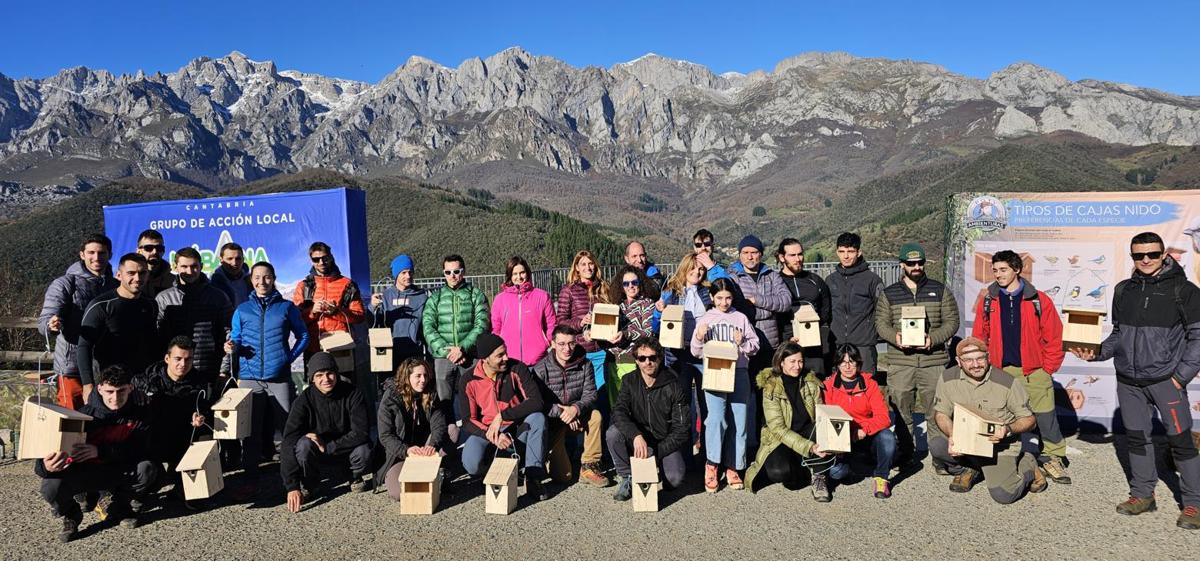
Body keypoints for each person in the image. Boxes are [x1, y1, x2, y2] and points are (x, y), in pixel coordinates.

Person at [1069, 232, 1200, 530]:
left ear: (1163, 254)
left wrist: (1180, 378)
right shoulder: (1123, 290)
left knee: (1181, 442)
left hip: (1167, 381)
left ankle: (1194, 503)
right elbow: (1118, 336)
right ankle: (1143, 495)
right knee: (1137, 439)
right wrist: (1097, 352)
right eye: (1138, 256)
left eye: (1152, 255)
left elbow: (1198, 338)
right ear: (1132, 257)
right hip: (1128, 382)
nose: (1145, 261)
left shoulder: (1185, 291)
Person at [971, 249, 1070, 484]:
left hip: (1034, 370)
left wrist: (1047, 368)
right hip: (1000, 370)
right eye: (995, 270)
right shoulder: (988, 299)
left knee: (1045, 417)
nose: (998, 274)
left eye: (1003, 269)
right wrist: (982, 365)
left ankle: (1053, 457)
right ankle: (999, 456)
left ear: (1017, 269)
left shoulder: (1038, 299)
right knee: (999, 415)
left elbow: (1054, 337)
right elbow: (979, 335)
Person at [35, 365, 159, 542]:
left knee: (148, 469)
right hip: (86, 472)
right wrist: (45, 465)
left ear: (130, 388)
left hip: (117, 470)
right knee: (50, 486)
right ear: (99, 388)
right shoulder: (80, 417)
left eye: (121, 391)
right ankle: (71, 514)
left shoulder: (140, 413)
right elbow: (50, 452)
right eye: (109, 391)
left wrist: (100, 451)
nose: (115, 397)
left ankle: (120, 506)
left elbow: (140, 449)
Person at [225, 261, 310, 500]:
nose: (262, 282)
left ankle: (292, 480)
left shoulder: (286, 308)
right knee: (250, 432)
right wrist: (232, 347)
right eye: (257, 277)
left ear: (274, 278)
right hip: (249, 378)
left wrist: (288, 358)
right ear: (251, 280)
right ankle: (250, 479)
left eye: (267, 277)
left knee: (288, 430)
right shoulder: (242, 310)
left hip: (279, 377)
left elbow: (303, 335)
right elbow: (237, 339)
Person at [928, 337, 1046, 504]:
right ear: (958, 361)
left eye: (980, 358)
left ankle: (1029, 466)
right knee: (937, 445)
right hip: (968, 440)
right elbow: (941, 413)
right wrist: (954, 434)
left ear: (988, 357)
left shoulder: (1007, 382)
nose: (975, 364)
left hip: (999, 446)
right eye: (968, 360)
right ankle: (970, 469)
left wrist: (1008, 429)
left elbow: (1030, 420)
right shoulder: (947, 378)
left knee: (1004, 495)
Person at [875, 242, 959, 463]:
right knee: (902, 409)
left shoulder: (940, 290)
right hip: (901, 362)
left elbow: (952, 321)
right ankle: (905, 452)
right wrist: (896, 338)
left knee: (937, 409)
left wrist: (933, 339)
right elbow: (881, 323)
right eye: (911, 263)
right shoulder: (889, 293)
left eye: (920, 262)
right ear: (902, 265)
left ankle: (940, 455)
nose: (916, 267)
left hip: (934, 360)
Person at [458, 333, 549, 500]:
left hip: (517, 428)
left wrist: (502, 415)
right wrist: (492, 434)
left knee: (538, 418)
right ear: (485, 359)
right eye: (500, 355)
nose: (506, 357)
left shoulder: (517, 368)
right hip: (487, 431)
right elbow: (467, 421)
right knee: (471, 464)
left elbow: (536, 401)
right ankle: (494, 474)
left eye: (505, 352)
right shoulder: (468, 380)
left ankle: (533, 477)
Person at [691, 278, 760, 492]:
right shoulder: (705, 319)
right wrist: (700, 337)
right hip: (714, 373)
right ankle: (712, 463)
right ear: (712, 298)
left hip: (739, 371)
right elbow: (695, 350)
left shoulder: (740, 318)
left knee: (739, 419)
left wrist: (743, 342)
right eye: (719, 298)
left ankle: (734, 465)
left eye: (728, 297)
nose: (724, 302)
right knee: (716, 419)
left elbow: (754, 345)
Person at [280, 352, 373, 513]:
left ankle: (353, 476)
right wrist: (292, 486)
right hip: (316, 452)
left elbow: (362, 431)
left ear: (336, 373)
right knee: (303, 445)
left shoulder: (353, 393)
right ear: (312, 379)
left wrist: (330, 446)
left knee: (364, 450)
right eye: (319, 375)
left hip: (345, 449)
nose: (326, 379)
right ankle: (310, 484)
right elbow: (288, 440)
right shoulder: (304, 400)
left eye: (330, 373)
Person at [38, 233, 118, 409]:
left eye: (102, 253)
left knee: (100, 424)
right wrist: (50, 326)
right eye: (91, 252)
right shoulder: (65, 284)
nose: (96, 257)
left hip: (105, 368)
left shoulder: (115, 285)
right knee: (71, 425)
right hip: (72, 368)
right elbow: (45, 319)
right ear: (82, 254)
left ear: (110, 255)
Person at [744, 343, 830, 500]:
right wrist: (809, 447)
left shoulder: (810, 382)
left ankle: (819, 477)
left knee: (823, 428)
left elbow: (821, 414)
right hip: (780, 437)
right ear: (781, 362)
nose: (797, 366)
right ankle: (802, 463)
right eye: (792, 361)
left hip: (806, 430)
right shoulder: (770, 386)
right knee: (779, 472)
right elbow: (778, 429)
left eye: (800, 361)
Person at [607, 339, 690, 501]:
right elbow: (619, 412)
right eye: (642, 358)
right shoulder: (629, 380)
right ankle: (626, 476)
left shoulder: (674, 384)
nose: (648, 362)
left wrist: (656, 453)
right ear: (636, 360)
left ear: (660, 358)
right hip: (638, 439)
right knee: (613, 433)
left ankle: (654, 467)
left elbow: (682, 428)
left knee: (674, 480)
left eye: (653, 357)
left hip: (663, 441)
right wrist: (636, 435)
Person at [133, 336, 212, 502]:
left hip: (181, 439)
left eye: (188, 359)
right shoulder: (145, 381)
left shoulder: (200, 384)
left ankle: (181, 486)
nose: (183, 364)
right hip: (150, 440)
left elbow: (206, 409)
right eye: (178, 359)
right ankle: (134, 495)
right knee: (148, 473)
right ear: (167, 358)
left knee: (206, 441)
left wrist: (200, 417)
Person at [77, 253, 159, 403]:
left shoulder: (150, 305)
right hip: (107, 385)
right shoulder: (101, 306)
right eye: (131, 273)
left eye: (142, 273)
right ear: (119, 275)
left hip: (139, 385)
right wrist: (87, 385)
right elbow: (84, 346)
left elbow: (152, 343)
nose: (137, 278)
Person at [532, 326, 607, 486]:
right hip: (554, 422)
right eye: (561, 344)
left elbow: (591, 394)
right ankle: (549, 455)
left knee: (595, 416)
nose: (567, 349)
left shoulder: (585, 364)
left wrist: (575, 409)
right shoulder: (541, 368)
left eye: (571, 343)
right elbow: (537, 403)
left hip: (576, 415)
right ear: (553, 344)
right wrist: (561, 412)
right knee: (563, 477)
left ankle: (590, 466)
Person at [823, 345, 897, 499]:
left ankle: (882, 478)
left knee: (887, 437)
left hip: (866, 435)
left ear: (858, 363)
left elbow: (884, 416)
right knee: (837, 473)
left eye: (852, 361)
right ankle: (852, 468)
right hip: (842, 438)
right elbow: (827, 417)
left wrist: (864, 430)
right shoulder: (829, 386)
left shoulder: (870, 384)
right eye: (843, 362)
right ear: (837, 364)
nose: (848, 366)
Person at [422, 254, 489, 418]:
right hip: (443, 358)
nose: (452, 276)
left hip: (471, 356)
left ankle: (479, 434)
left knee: (477, 397)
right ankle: (447, 437)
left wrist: (462, 348)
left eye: (456, 271)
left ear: (463, 272)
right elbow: (428, 327)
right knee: (444, 402)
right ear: (443, 273)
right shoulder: (435, 298)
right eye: (447, 272)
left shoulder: (476, 295)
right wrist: (448, 351)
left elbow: (482, 324)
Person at [155, 247, 233, 388]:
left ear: (201, 266)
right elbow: (157, 338)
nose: (189, 271)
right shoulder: (164, 298)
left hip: (209, 371)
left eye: (194, 266)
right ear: (175, 267)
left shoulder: (218, 297)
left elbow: (230, 335)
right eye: (184, 266)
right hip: (173, 373)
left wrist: (224, 370)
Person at [658, 252, 712, 451]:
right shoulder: (672, 292)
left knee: (706, 405)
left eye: (701, 269)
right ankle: (684, 453)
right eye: (693, 268)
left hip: (703, 353)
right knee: (682, 405)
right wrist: (659, 310)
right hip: (678, 355)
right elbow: (660, 321)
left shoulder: (708, 291)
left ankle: (706, 452)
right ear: (685, 268)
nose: (697, 272)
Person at [377, 358, 449, 501]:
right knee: (399, 494)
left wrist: (431, 446)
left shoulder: (431, 393)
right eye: (418, 376)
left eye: (426, 375)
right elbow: (385, 435)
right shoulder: (391, 398)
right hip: (400, 453)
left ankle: (439, 470)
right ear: (406, 377)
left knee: (452, 430)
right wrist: (407, 450)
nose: (423, 380)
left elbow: (439, 425)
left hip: (425, 447)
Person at [728, 235, 790, 373]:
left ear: (760, 255)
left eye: (754, 252)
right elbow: (737, 308)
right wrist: (769, 310)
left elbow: (786, 301)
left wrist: (757, 300)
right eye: (745, 253)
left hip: (771, 343)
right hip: (745, 343)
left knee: (769, 385)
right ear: (740, 255)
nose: (750, 257)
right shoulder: (734, 278)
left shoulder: (772, 276)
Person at [293, 242, 365, 360]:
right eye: (316, 259)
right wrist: (312, 311)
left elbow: (359, 316)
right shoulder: (304, 286)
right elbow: (295, 320)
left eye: (324, 258)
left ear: (331, 257)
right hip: (313, 347)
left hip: (341, 345)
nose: (321, 262)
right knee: (317, 378)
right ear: (311, 261)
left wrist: (336, 312)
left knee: (344, 379)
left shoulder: (348, 284)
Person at [825, 232, 883, 374]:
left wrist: (873, 335)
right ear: (837, 252)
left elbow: (882, 310)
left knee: (866, 386)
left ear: (859, 252)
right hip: (837, 344)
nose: (845, 256)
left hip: (864, 345)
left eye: (850, 251)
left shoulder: (872, 280)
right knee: (838, 390)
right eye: (841, 251)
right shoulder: (830, 280)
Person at [556, 250, 610, 398]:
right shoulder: (568, 291)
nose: (588, 267)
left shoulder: (604, 289)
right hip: (579, 353)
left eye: (591, 263)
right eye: (583, 264)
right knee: (581, 395)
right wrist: (580, 323)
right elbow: (560, 322)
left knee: (601, 394)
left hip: (601, 351)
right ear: (577, 268)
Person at [776, 238, 832, 378]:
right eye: (792, 255)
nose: (798, 259)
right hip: (787, 346)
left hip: (814, 347)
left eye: (800, 254)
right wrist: (786, 339)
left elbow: (826, 310)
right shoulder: (775, 282)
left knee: (817, 385)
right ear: (782, 257)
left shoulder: (815, 280)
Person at [370, 254, 429, 379]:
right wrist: (373, 307)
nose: (408, 276)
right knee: (391, 389)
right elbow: (373, 323)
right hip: (390, 353)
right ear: (396, 274)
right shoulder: (385, 296)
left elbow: (427, 326)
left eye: (410, 272)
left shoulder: (422, 297)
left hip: (414, 352)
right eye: (403, 273)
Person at [491, 256, 557, 367]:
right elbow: (495, 329)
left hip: (538, 361)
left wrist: (547, 342)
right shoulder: (500, 299)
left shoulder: (542, 296)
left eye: (522, 273)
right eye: (514, 274)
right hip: (509, 360)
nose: (519, 277)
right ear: (509, 276)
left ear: (527, 273)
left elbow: (551, 324)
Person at [604, 266, 656, 403]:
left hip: (633, 360)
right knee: (615, 404)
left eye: (635, 282)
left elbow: (648, 332)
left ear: (641, 283)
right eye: (626, 283)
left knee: (635, 403)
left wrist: (626, 334)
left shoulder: (647, 304)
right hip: (613, 360)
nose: (631, 286)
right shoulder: (616, 306)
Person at [210, 242, 252, 307]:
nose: (234, 263)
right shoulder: (213, 284)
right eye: (230, 259)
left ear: (243, 259)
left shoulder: (252, 280)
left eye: (238, 259)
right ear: (221, 260)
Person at [135, 229, 174, 297]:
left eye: (159, 248)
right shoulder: (128, 278)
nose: (154, 252)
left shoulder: (173, 281)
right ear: (138, 251)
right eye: (148, 248)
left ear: (163, 251)